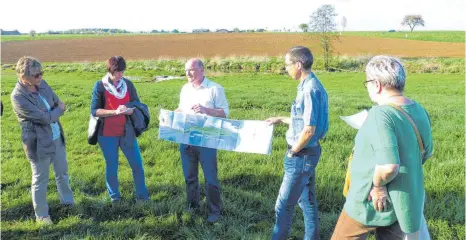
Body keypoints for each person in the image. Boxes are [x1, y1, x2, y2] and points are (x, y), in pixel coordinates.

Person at [331, 55, 433, 240]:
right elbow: (426, 153)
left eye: (367, 83)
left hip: (369, 201)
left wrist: (378, 187)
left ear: (376, 84)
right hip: (404, 199)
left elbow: (389, 167)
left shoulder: (380, 114)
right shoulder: (419, 110)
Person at [266, 46, 329, 240]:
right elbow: (304, 120)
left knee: (283, 206)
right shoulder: (310, 84)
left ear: (298, 64)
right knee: (307, 201)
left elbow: (309, 129)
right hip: (308, 153)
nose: (286, 68)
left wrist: (293, 151)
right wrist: (281, 119)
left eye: (287, 64)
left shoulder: (309, 89)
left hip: (301, 155)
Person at [11, 56, 74, 225]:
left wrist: (53, 112)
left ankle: (68, 203)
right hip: (38, 142)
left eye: (41, 73)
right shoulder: (18, 97)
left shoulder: (42, 84)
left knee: (62, 172)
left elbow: (58, 102)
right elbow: (44, 118)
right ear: (23, 77)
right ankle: (42, 215)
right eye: (36, 75)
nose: (40, 77)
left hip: (56, 136)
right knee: (40, 179)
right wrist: (56, 112)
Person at [175, 58, 229, 223]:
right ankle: (193, 206)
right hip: (186, 138)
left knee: (210, 178)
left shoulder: (214, 89)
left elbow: (224, 112)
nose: (188, 73)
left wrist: (206, 110)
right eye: (186, 70)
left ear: (201, 70)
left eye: (191, 70)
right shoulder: (185, 89)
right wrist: (171, 114)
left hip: (207, 139)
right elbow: (181, 108)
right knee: (190, 176)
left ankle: (215, 211)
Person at [90, 56, 149, 203]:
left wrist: (130, 109)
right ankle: (114, 198)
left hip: (127, 132)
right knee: (112, 166)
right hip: (107, 134)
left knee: (137, 165)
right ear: (110, 70)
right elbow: (94, 111)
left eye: (122, 72)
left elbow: (137, 103)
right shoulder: (99, 86)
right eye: (117, 72)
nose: (120, 75)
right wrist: (114, 112)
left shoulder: (128, 84)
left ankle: (142, 197)